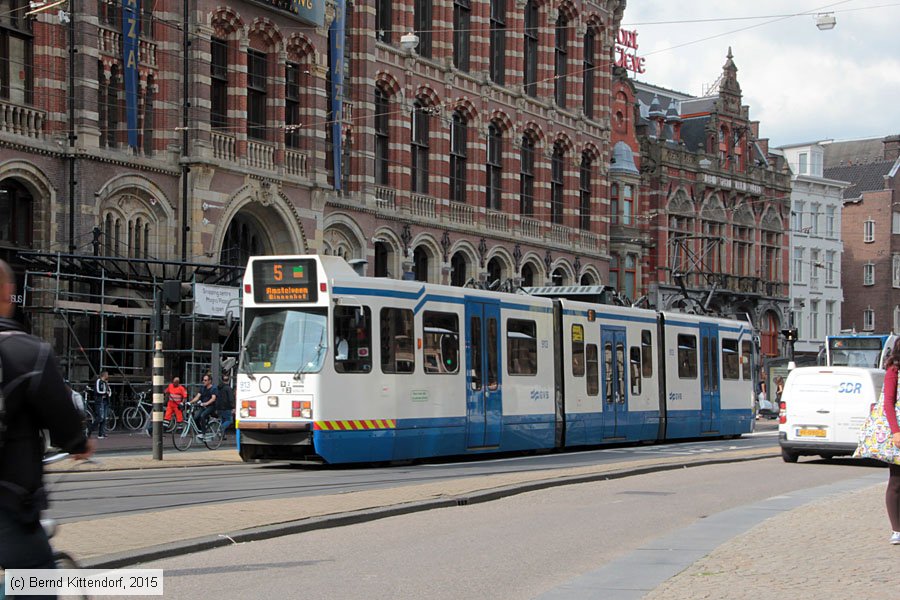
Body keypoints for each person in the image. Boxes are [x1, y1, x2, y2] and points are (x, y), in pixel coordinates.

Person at [0, 259, 95, 579]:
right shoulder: (30, 354)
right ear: (9, 292)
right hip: (8, 504)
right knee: (37, 579)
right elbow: (64, 420)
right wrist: (79, 444)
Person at [882, 338, 900, 545]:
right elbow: (888, 403)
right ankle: (897, 529)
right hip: (899, 432)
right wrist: (895, 432)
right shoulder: (894, 371)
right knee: (896, 481)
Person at [190, 373, 217, 438]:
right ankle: (200, 430)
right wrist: (190, 402)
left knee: (202, 416)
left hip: (211, 406)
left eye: (205, 380)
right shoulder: (202, 388)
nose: (203, 381)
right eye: (203, 380)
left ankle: (203, 433)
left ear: (209, 381)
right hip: (203, 406)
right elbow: (197, 397)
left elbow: (213, 398)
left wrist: (206, 403)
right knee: (196, 417)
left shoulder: (213, 388)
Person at [93, 370, 112, 439]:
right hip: (100, 401)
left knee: (104, 418)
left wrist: (108, 394)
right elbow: (97, 390)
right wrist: (105, 393)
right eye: (107, 374)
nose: (108, 376)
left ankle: (101, 434)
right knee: (100, 417)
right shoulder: (98, 381)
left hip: (105, 401)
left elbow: (109, 390)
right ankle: (90, 429)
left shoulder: (106, 383)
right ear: (104, 375)